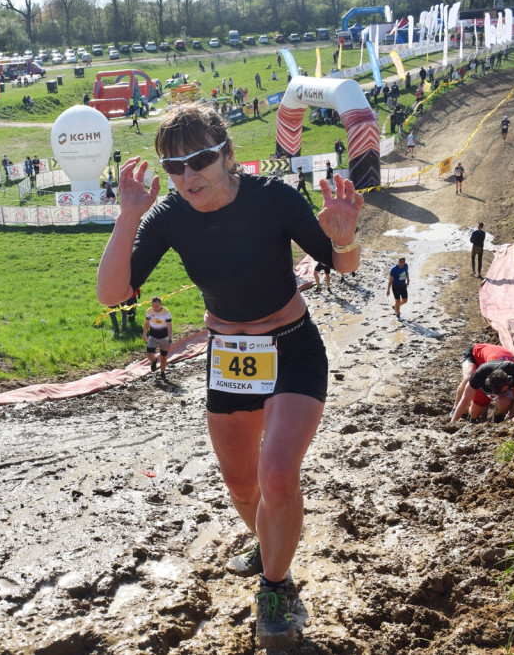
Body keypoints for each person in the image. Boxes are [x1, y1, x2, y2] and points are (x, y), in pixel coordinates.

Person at [96, 101, 362, 649]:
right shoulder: (168, 214)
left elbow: (341, 264)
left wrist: (343, 237)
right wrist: (128, 216)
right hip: (231, 354)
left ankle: (274, 588)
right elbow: (113, 295)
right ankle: (272, 550)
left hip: (291, 347)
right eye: (174, 166)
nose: (188, 176)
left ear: (227, 153)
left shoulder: (275, 198)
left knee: (277, 474)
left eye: (199, 160)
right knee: (241, 483)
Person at [450, 343, 514, 423]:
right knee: (468, 380)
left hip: (499, 366)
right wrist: (452, 423)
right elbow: (464, 400)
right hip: (476, 354)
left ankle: (498, 418)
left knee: (504, 402)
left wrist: (510, 421)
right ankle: (456, 408)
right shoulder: (480, 374)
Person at [142, 296, 172, 381]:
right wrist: (144, 334)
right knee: (149, 354)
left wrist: (170, 340)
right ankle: (154, 361)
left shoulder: (166, 312)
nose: (155, 308)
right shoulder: (149, 311)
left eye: (157, 306)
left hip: (164, 337)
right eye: (153, 306)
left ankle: (162, 373)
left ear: (160, 304)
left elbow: (170, 327)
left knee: (163, 357)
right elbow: (147, 323)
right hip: (153, 336)